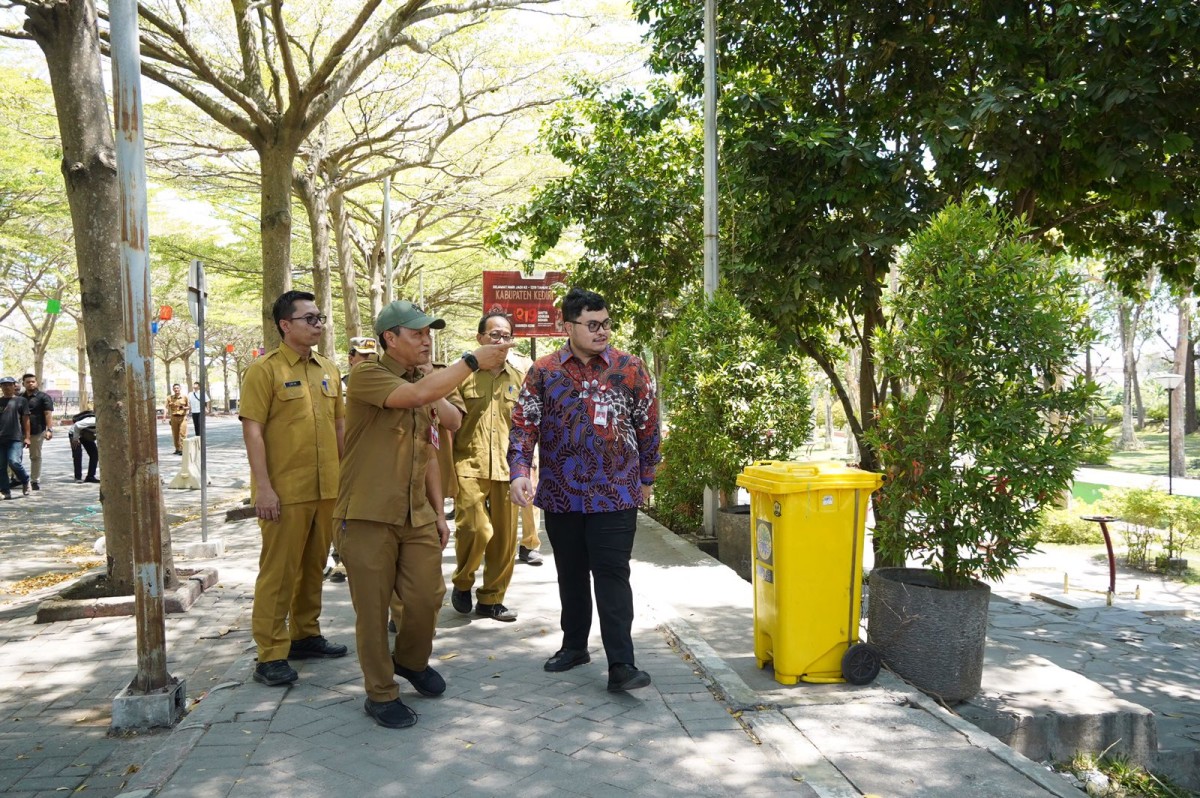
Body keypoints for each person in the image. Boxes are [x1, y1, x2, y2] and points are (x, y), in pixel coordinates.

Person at [335, 300, 510, 729]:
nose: (426, 339)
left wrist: (438, 511)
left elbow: (441, 432)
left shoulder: (425, 381)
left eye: (429, 332)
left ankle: (410, 661)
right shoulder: (367, 374)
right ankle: (380, 693)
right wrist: (470, 361)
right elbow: (414, 398)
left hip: (415, 513)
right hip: (367, 513)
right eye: (416, 333)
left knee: (426, 597)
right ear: (389, 339)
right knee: (374, 611)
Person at [509, 288, 661, 693]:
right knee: (571, 574)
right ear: (568, 326)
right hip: (561, 493)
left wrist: (647, 478)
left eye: (607, 324)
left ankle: (622, 665)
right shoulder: (543, 371)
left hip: (615, 493)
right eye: (592, 325)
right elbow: (524, 423)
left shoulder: (630, 368)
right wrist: (519, 470)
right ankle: (574, 646)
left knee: (612, 575)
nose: (602, 332)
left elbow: (648, 423)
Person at [240, 291, 347, 688]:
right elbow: (253, 430)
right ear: (286, 325)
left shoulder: (329, 370)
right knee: (278, 573)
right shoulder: (263, 371)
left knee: (313, 567)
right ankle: (270, 654)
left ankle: (305, 635)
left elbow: (339, 428)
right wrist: (263, 488)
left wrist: (347, 479)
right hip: (285, 491)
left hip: (327, 488)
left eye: (320, 318)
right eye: (309, 318)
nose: (318, 324)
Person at [447, 311, 529, 622]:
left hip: (509, 469)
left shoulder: (519, 380)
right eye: (493, 335)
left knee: (505, 540)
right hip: (469, 462)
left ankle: (492, 599)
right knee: (475, 528)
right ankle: (463, 580)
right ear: (480, 338)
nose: (499, 341)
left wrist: (530, 467)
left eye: (505, 335)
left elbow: (527, 427)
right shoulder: (461, 375)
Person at [21, 374, 54, 491]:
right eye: (28, 382)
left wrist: (49, 429)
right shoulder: (20, 397)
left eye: (33, 381)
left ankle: (34, 481)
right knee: (13, 456)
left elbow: (48, 414)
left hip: (37, 431)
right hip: (19, 432)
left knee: (35, 456)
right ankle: (13, 478)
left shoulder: (43, 397)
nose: (30, 384)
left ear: (37, 383)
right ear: (23, 384)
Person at [0, 376, 31, 500]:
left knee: (14, 462)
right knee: (1, 466)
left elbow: (26, 420)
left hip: (15, 438)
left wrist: (27, 437)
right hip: (0, 439)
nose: (6, 387)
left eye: (9, 384)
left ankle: (25, 480)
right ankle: (5, 491)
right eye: (4, 385)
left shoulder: (21, 401)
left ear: (14, 386)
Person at [68, 410, 99, 484]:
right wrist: (75, 439)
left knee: (94, 454)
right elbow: (77, 425)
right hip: (75, 433)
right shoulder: (94, 421)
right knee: (77, 455)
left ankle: (90, 476)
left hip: (86, 434)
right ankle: (78, 477)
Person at [166, 383, 189, 455]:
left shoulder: (185, 397)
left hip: (182, 417)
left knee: (182, 433)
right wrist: (165, 417)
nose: (176, 389)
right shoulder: (169, 398)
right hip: (173, 418)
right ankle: (177, 449)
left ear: (180, 389)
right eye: (175, 388)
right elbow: (166, 408)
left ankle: (183, 449)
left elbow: (188, 407)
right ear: (173, 389)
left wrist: (183, 408)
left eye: (177, 388)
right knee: (175, 434)